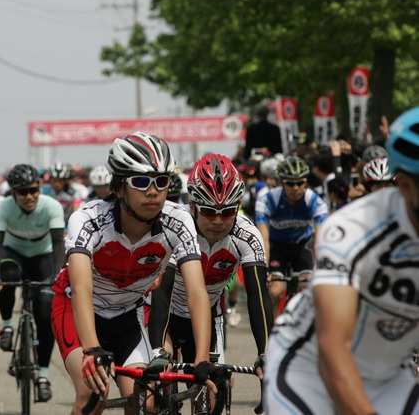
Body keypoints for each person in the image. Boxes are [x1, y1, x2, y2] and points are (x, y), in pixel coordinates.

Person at [263, 107, 419, 414]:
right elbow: (333, 352)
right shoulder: (354, 228)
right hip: (310, 369)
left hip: (389, 373)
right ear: (405, 187)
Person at [51, 132, 216, 415]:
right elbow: (81, 289)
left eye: (161, 182)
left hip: (129, 312)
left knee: (147, 400)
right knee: (94, 392)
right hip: (76, 308)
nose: (152, 191)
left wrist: (202, 360)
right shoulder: (88, 219)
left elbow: (197, 291)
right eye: (140, 182)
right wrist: (92, 349)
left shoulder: (179, 221)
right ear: (118, 189)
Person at [149, 155, 272, 376]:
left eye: (227, 212)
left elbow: (258, 296)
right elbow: (162, 292)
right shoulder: (177, 227)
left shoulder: (247, 235)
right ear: (192, 206)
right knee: (158, 382)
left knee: (216, 389)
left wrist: (266, 353)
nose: (217, 221)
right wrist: (159, 350)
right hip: (163, 310)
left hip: (208, 314)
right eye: (208, 211)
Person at [0, 163, 65, 402]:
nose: (30, 196)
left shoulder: (52, 206)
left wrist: (59, 274)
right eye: (23, 192)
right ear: (13, 193)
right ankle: (8, 325)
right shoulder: (4, 208)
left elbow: (59, 244)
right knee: (6, 278)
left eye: (33, 190)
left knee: (45, 312)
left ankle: (43, 375)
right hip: (15, 253)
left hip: (44, 256)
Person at [255, 156, 328, 318]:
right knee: (274, 291)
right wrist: (264, 270)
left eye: (300, 182)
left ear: (306, 182)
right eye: (290, 183)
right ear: (281, 183)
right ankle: (274, 335)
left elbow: (319, 240)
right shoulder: (267, 200)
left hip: (303, 245)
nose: (295, 187)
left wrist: (322, 268)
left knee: (305, 287)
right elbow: (263, 240)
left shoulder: (314, 201)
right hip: (277, 246)